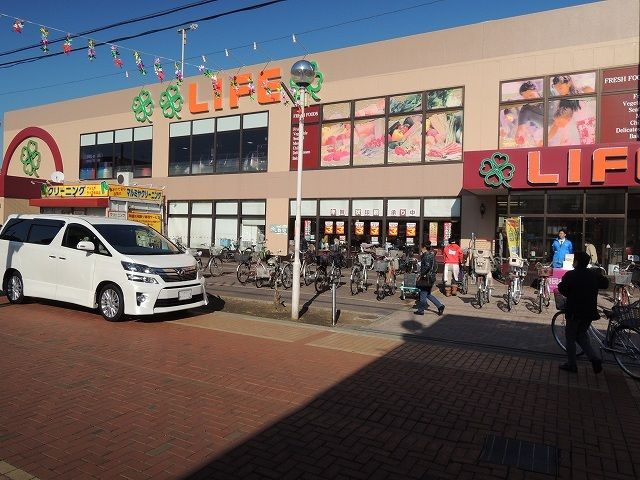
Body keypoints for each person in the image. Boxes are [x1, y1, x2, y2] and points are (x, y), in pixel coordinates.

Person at [557, 251, 608, 373]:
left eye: (574, 260)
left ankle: (572, 364)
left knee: (570, 337)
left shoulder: (570, 275)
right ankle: (594, 359)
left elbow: (563, 289)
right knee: (581, 335)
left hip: (574, 311)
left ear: (577, 262)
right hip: (589, 312)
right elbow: (605, 284)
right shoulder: (593, 274)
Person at [414, 241, 445, 316]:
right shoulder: (431, 254)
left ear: (424, 247)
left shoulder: (427, 255)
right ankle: (440, 306)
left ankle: (421, 310)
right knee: (428, 294)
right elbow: (434, 266)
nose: (420, 248)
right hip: (431, 277)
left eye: (421, 247)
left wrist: (421, 275)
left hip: (426, 278)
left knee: (423, 293)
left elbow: (427, 267)